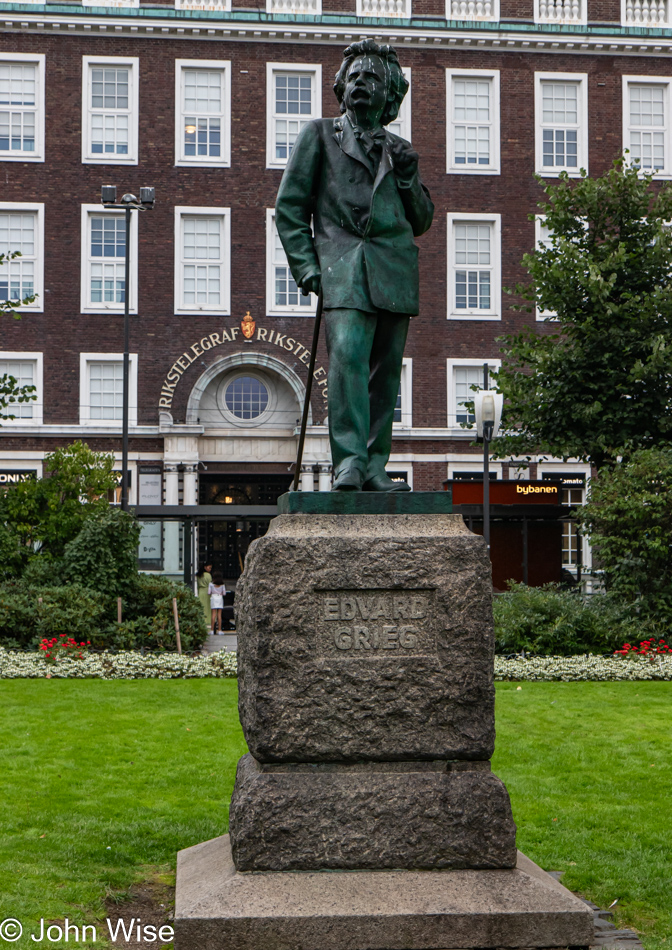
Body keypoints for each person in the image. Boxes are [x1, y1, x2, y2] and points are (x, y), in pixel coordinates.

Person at [275, 38, 434, 492]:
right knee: (345, 358)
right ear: (341, 87)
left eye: (374, 79)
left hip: (395, 273)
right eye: (355, 77)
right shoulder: (320, 136)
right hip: (342, 269)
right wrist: (307, 267)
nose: (362, 84)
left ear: (391, 96)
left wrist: (406, 177)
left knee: (385, 372)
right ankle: (348, 461)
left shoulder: (400, 150)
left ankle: (375, 466)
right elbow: (289, 208)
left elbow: (421, 220)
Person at [208, 571, 226, 635]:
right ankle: (220, 630)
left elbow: (209, 593)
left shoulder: (211, 584)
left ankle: (212, 630)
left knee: (213, 614)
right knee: (219, 615)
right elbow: (224, 593)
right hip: (220, 598)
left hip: (213, 598)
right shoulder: (222, 585)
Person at [196, 562, 213, 628]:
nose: (210, 569)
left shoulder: (198, 575)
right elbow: (210, 585)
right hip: (207, 592)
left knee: (202, 607)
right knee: (208, 608)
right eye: (209, 567)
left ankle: (202, 620)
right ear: (205, 567)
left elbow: (197, 586)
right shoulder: (208, 575)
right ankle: (208, 620)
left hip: (201, 591)